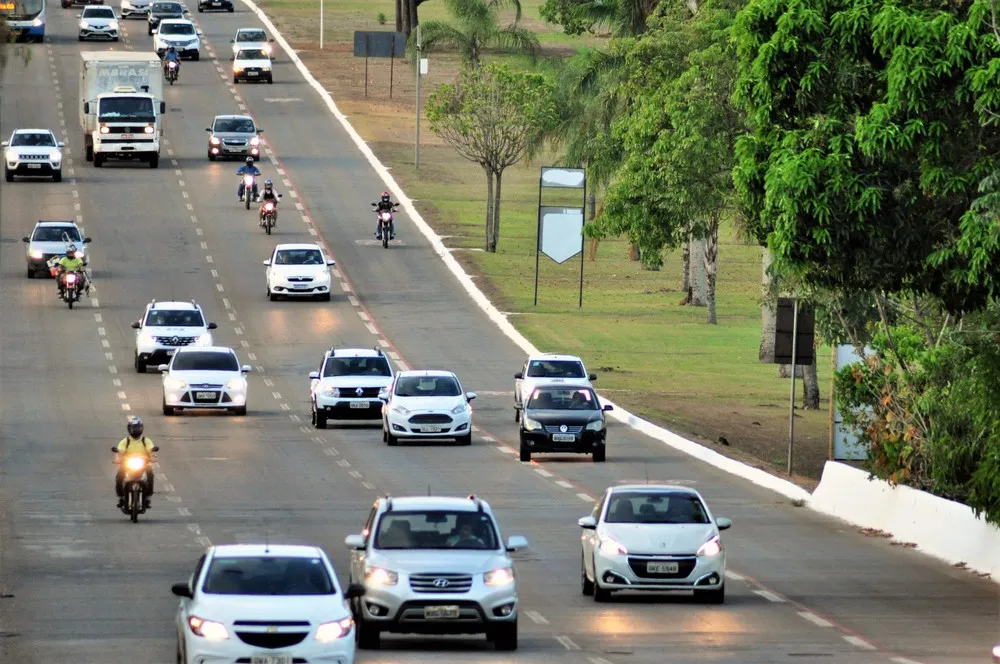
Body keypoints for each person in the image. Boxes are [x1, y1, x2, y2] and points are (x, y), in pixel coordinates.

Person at [114, 416, 157, 509]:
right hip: (127, 464)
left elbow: (151, 450)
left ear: (141, 428)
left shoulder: (146, 441)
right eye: (133, 428)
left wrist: (152, 457)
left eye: (137, 428)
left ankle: (148, 498)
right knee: (119, 476)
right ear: (129, 429)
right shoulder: (125, 441)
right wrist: (118, 459)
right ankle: (121, 497)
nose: (135, 430)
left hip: (144, 464)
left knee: (150, 475)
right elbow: (120, 451)